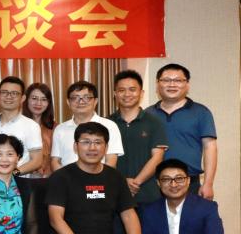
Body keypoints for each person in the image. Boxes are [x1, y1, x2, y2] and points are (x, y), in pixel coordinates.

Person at [147, 63, 217, 199]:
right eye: (166, 80)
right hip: (154, 183)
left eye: (178, 80)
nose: (172, 84)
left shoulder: (201, 112)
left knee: (192, 214)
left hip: (189, 182)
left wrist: (208, 184)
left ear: (187, 84)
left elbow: (210, 147)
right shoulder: (147, 114)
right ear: (157, 84)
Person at [109, 70, 168, 206]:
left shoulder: (155, 122)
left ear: (141, 93)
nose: (127, 94)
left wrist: (136, 183)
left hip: (147, 194)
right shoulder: (106, 123)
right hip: (115, 193)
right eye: (121, 90)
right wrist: (122, 183)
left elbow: (157, 157)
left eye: (132, 89)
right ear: (115, 94)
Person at [50, 81, 124, 171]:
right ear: (68, 102)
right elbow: (55, 161)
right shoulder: (60, 129)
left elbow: (111, 161)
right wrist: (66, 178)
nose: (81, 101)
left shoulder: (110, 126)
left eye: (87, 97)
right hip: (66, 179)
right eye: (75, 98)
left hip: (100, 179)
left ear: (95, 101)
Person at [0, 76, 44, 175]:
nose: (9, 96)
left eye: (14, 93)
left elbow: (37, 160)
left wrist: (13, 174)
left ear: (23, 98)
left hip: (18, 181)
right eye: (4, 92)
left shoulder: (31, 126)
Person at [22, 82, 55, 178]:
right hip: (21, 176)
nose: (38, 103)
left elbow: (56, 158)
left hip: (48, 178)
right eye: (34, 98)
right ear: (26, 100)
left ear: (48, 103)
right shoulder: (18, 124)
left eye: (44, 99)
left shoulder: (55, 128)